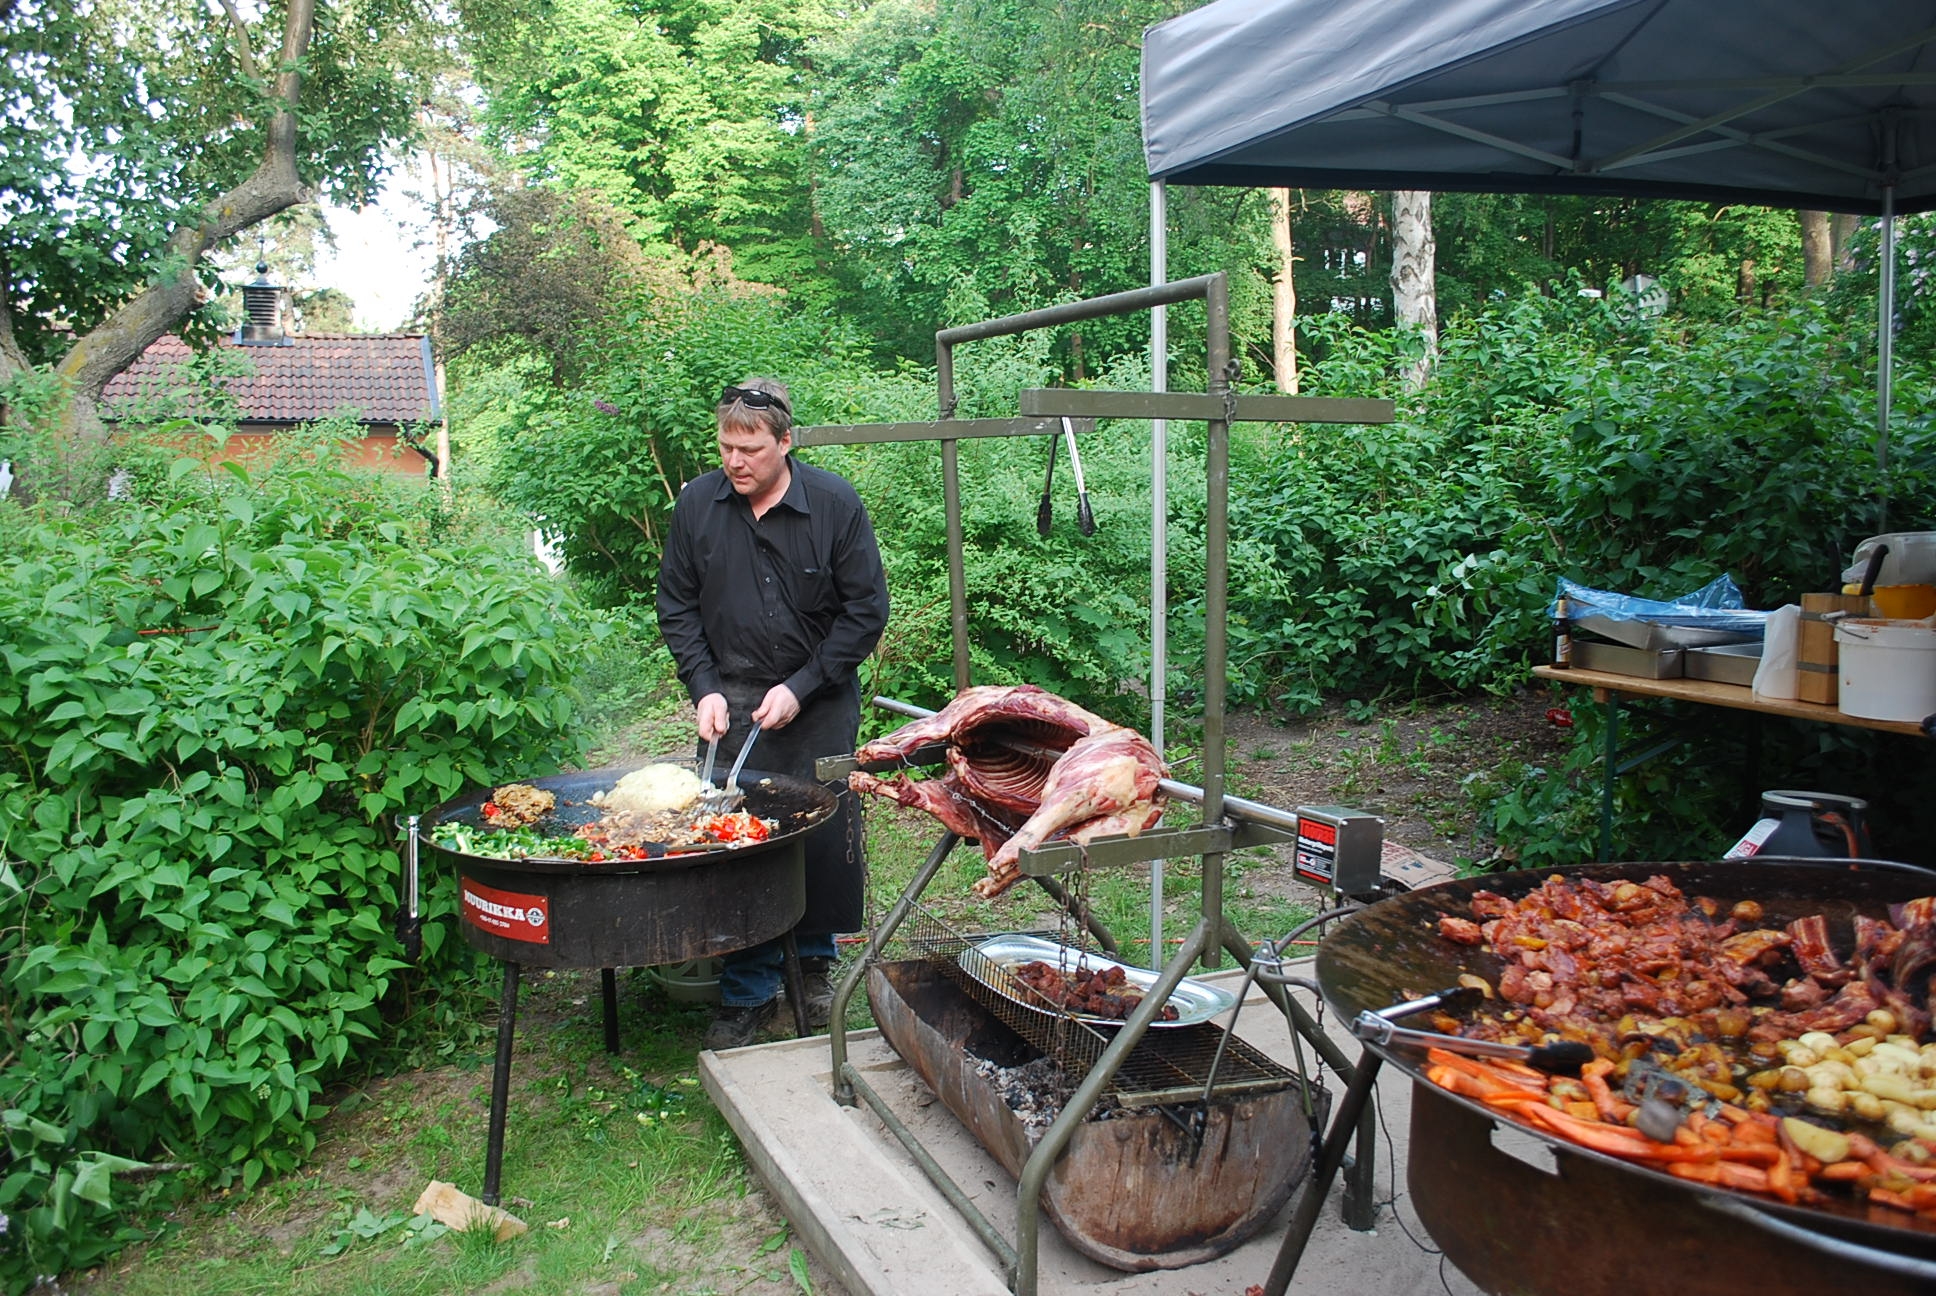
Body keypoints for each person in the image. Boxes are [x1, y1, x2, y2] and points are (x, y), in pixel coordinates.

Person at [656, 376, 889, 1050]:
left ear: (786, 443)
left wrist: (805, 682)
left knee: (820, 836)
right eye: (727, 446)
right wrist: (702, 687)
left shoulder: (835, 504)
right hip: (729, 701)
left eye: (751, 448)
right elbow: (676, 605)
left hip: (817, 700)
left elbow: (865, 611)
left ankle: (814, 968)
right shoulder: (697, 507)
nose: (736, 461)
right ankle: (747, 990)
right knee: (739, 843)